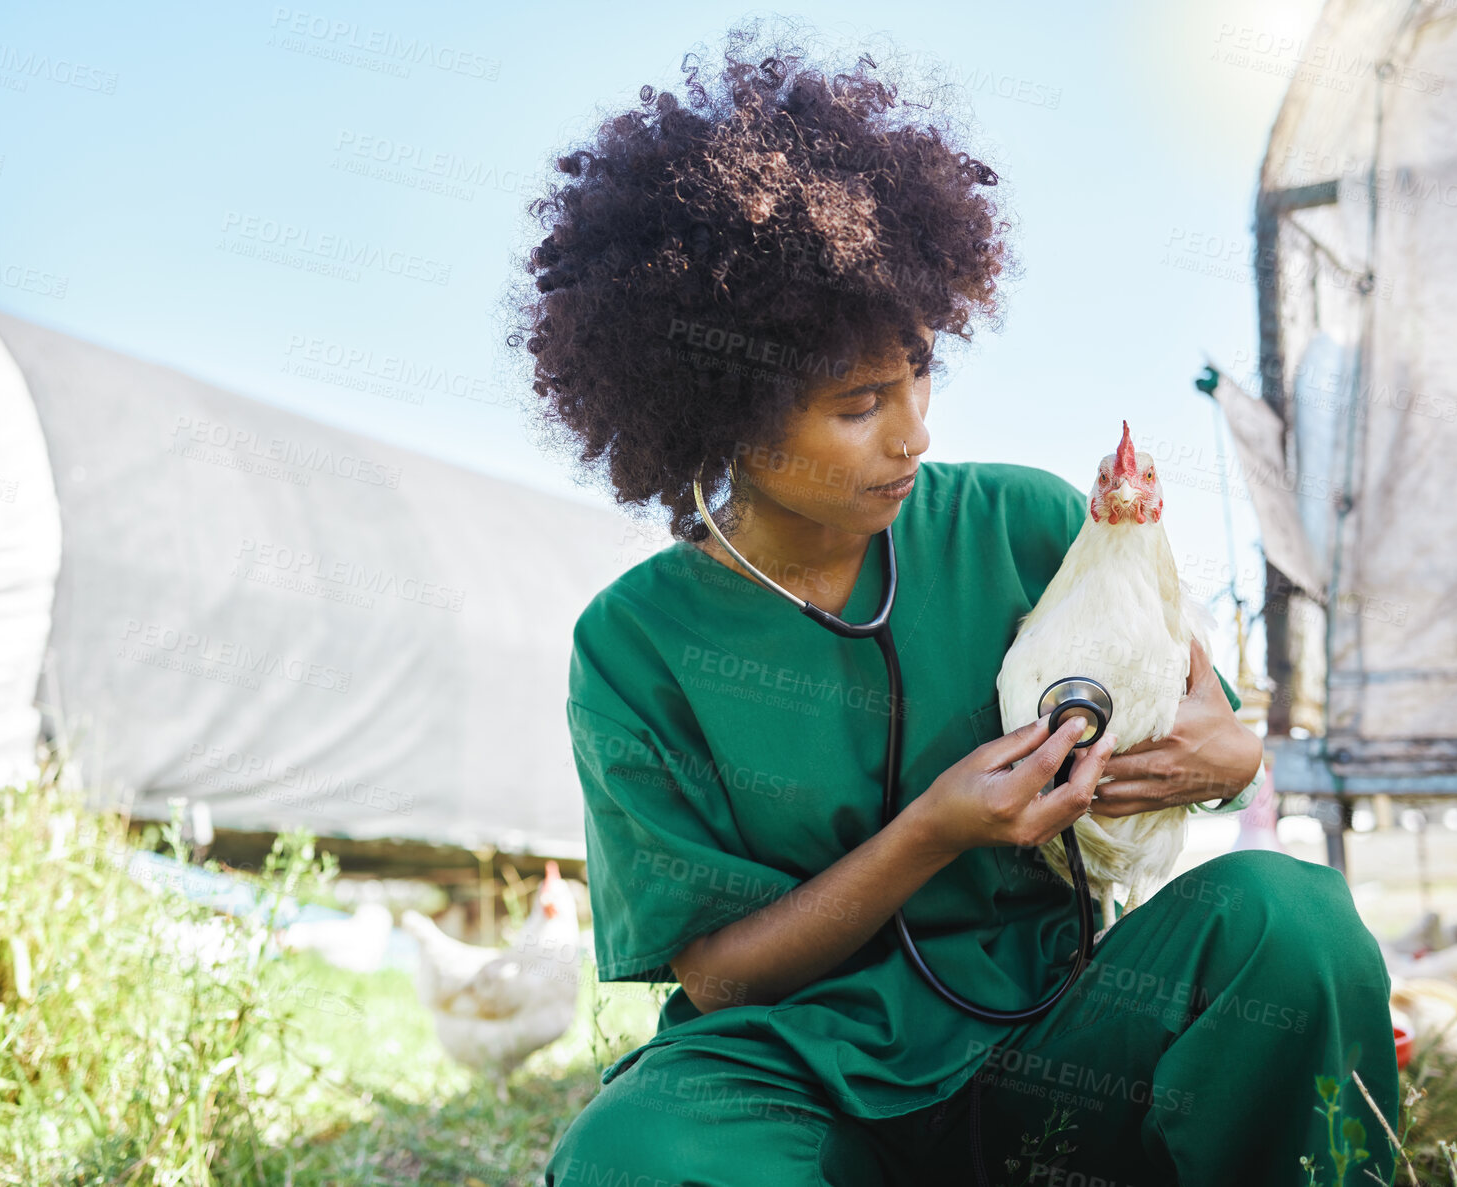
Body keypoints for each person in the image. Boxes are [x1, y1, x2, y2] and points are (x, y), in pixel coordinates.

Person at [508, 20, 1399, 1185]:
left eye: (919, 367)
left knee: (1291, 920)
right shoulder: (633, 644)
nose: (913, 430)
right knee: (637, 1152)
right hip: (794, 1073)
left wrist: (1227, 753)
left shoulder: (1023, 525)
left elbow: (1202, 736)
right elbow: (718, 975)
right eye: (856, 401)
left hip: (1055, 1032)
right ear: (720, 412)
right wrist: (931, 831)